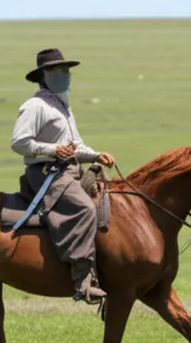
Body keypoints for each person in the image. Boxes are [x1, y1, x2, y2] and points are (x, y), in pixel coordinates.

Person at [10, 48, 115, 305]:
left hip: (69, 168)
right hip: (47, 173)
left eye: (67, 70)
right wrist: (52, 149)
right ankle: (83, 281)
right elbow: (19, 142)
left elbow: (75, 144)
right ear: (44, 75)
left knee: (105, 193)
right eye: (59, 70)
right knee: (85, 209)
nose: (66, 74)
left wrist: (96, 155)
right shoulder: (35, 106)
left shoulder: (62, 106)